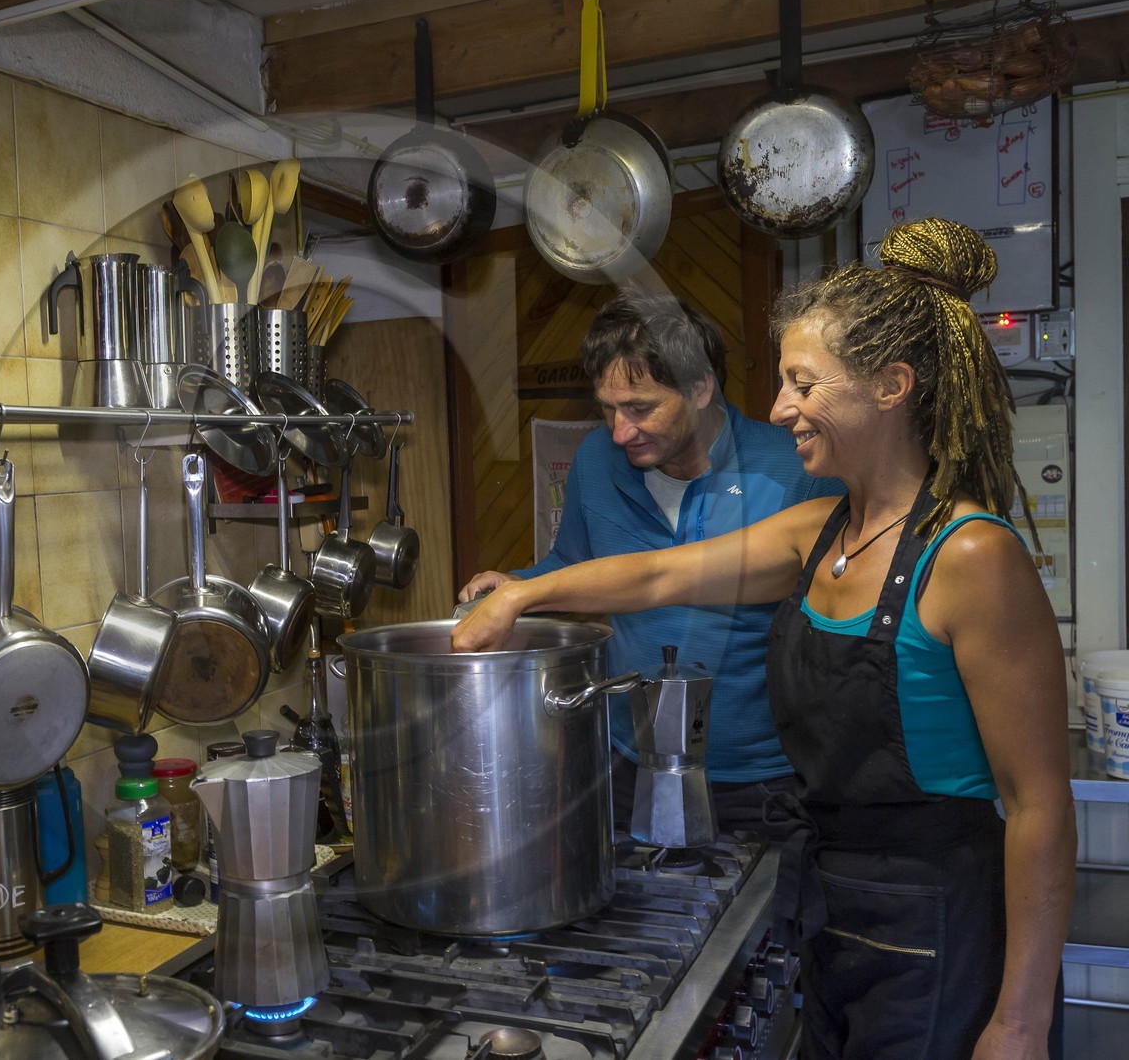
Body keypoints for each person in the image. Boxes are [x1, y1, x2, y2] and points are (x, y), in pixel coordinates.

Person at [454, 217, 1074, 1059]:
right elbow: (657, 576)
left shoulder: (971, 555)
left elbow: (1040, 808)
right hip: (831, 906)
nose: (779, 408)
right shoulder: (819, 532)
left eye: (802, 384)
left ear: (890, 387)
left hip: (939, 926)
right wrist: (523, 594)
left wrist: (1021, 1022)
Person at [459, 291, 844, 833]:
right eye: (607, 408)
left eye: (640, 408)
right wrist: (516, 584)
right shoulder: (598, 459)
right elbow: (570, 562)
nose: (620, 431)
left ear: (700, 388)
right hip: (628, 765)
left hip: (764, 778)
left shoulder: (796, 468)